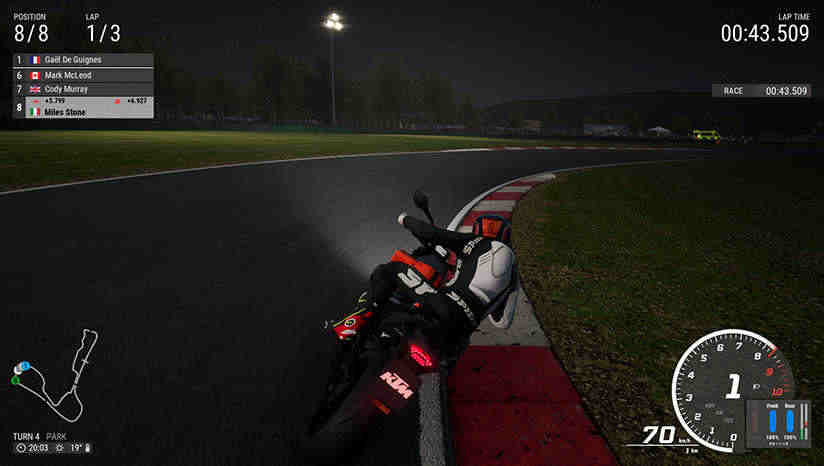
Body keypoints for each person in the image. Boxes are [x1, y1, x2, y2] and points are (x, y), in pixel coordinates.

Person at [329, 212, 515, 359]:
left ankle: (354, 322)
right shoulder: (512, 276)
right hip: (461, 334)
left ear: (478, 231)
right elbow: (502, 322)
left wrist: (405, 219)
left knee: (389, 270)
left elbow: (432, 233)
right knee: (446, 358)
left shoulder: (476, 242)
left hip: (442, 305)